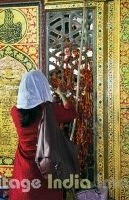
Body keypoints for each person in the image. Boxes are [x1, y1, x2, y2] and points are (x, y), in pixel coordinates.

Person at [9, 70, 77, 200]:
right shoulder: (49, 109)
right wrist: (62, 95)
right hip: (48, 168)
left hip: (24, 174)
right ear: (43, 86)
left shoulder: (15, 112)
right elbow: (71, 113)